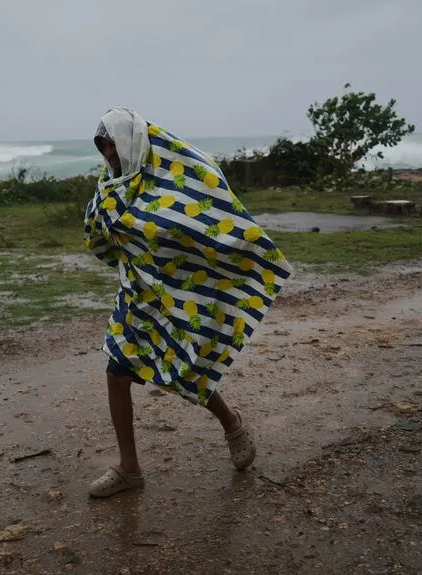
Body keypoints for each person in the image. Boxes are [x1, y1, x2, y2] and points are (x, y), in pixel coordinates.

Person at [83, 108, 293, 498]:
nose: (108, 151)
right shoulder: (110, 187)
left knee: (186, 367)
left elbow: (206, 221)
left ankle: (232, 424)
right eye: (102, 145)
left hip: (178, 294)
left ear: (130, 140)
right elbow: (101, 237)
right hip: (136, 296)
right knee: (116, 373)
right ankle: (130, 469)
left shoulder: (175, 181)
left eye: (112, 142)